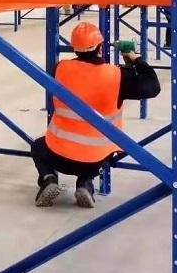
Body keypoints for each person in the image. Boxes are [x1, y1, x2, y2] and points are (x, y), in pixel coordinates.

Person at [31, 22, 161, 209]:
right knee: (99, 150)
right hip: (95, 159)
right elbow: (152, 86)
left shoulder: (60, 68)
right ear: (100, 48)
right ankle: (85, 183)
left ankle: (49, 179)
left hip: (57, 154)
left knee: (37, 146)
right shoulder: (116, 75)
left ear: (74, 48)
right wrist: (135, 59)